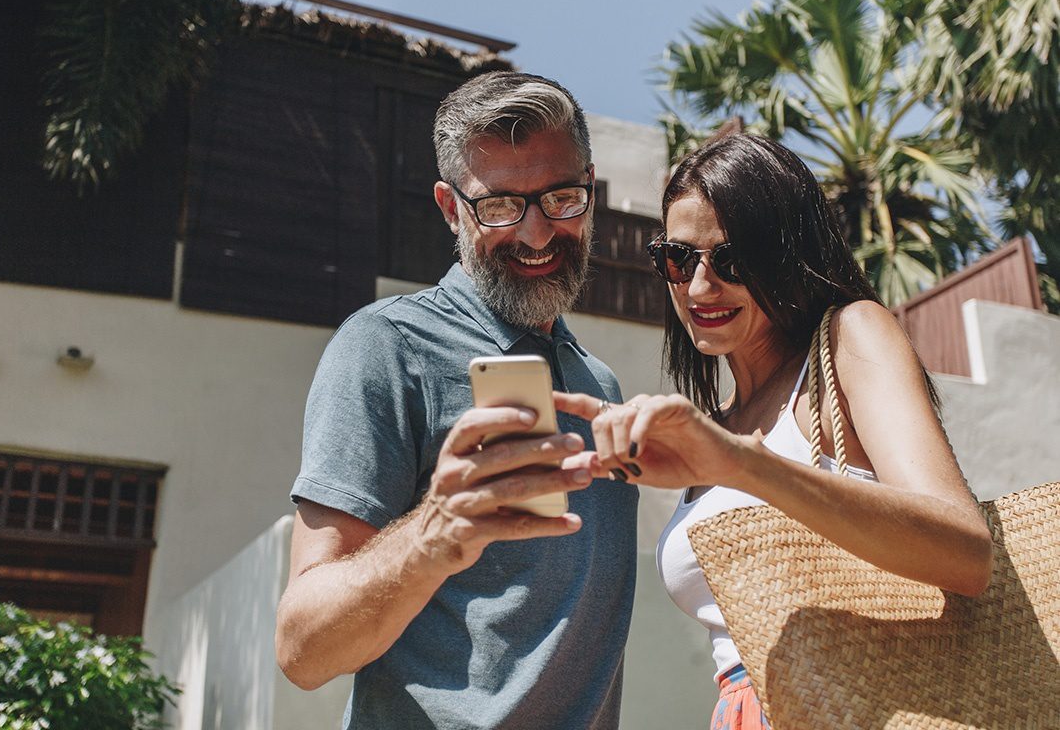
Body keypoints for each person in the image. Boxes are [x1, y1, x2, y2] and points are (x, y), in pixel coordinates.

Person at [557, 133, 993, 728]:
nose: (702, 288)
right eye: (679, 260)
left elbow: (966, 552)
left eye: (733, 261)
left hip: (866, 704)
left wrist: (745, 464)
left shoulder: (851, 337)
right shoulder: (719, 426)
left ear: (789, 257)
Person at [275, 72, 638, 729]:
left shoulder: (599, 386)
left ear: (590, 185)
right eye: (498, 206)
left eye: (561, 198)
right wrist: (437, 532)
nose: (535, 235)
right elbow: (303, 649)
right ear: (450, 208)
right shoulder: (387, 347)